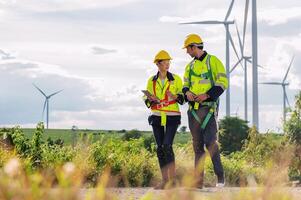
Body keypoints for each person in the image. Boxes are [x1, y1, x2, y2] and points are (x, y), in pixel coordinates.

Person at [182, 34, 229, 188]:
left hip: (209, 109)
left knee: (210, 143)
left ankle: (220, 177)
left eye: (188, 49)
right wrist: (187, 92)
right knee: (197, 146)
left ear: (194, 47)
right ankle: (198, 182)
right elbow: (185, 85)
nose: (187, 52)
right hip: (193, 111)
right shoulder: (189, 67)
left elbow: (222, 83)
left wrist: (207, 95)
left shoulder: (213, 62)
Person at [143, 50, 184, 189]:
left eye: (169, 62)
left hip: (172, 116)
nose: (167, 65)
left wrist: (175, 97)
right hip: (156, 115)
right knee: (160, 148)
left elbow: (182, 98)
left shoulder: (176, 79)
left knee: (167, 146)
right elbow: (145, 98)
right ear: (158, 64)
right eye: (165, 63)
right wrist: (150, 100)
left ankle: (172, 181)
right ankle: (165, 181)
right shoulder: (151, 80)